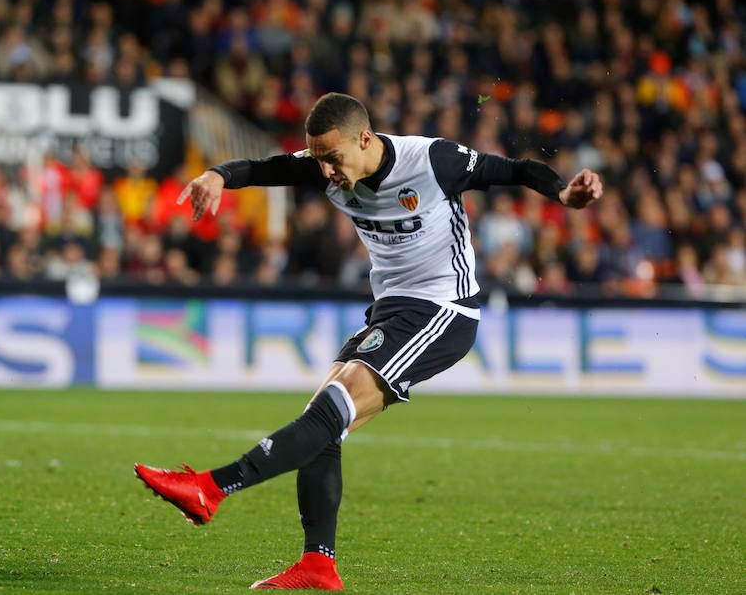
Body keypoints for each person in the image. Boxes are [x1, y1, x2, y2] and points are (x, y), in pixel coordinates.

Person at [134, 92, 602, 590]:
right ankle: (318, 563)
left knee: (328, 410)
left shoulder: (432, 160)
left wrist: (562, 194)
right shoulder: (324, 164)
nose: (327, 171)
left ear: (365, 138)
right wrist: (216, 176)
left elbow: (516, 169)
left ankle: (211, 487)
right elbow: (259, 166)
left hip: (443, 309)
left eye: (334, 159)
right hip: (391, 309)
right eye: (319, 160)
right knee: (325, 425)